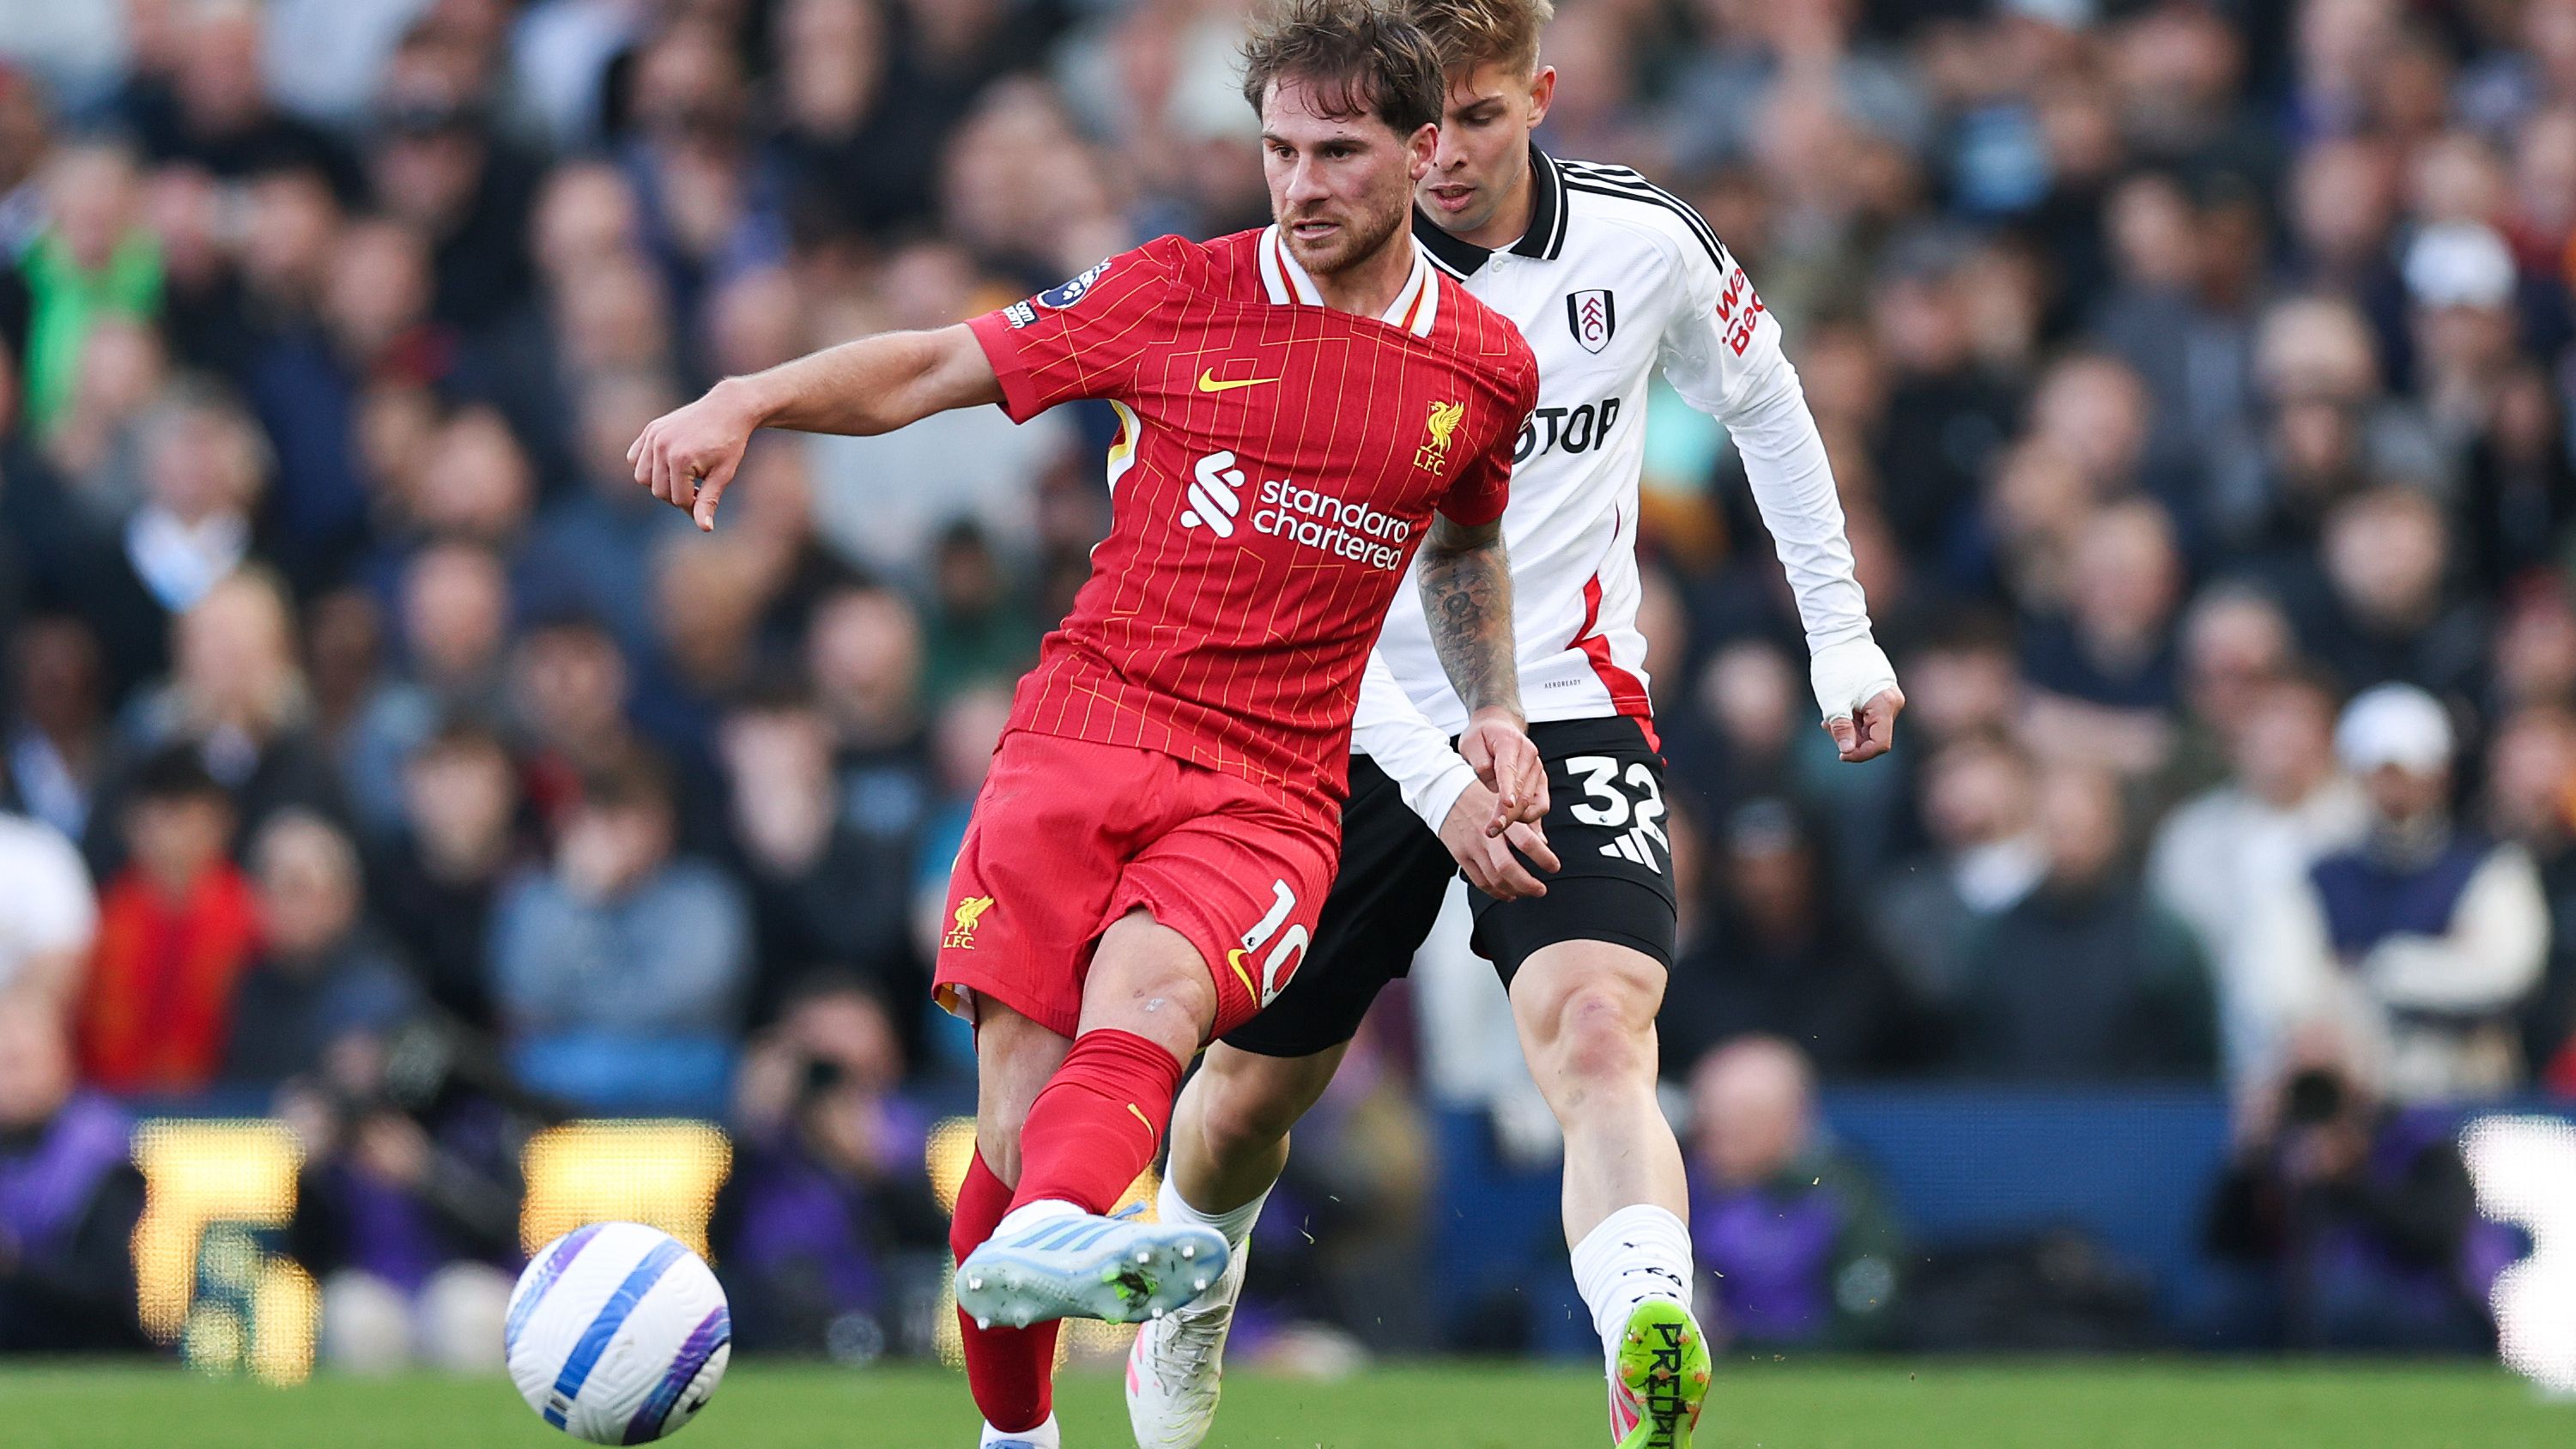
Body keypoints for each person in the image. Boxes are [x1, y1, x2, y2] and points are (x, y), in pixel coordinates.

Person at [624, 4, 1545, 1443]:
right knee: (1013, 1118)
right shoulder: (1174, 290)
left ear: (1427, 151)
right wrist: (756, 395)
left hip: (1271, 786)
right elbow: (933, 366)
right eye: (1281, 147)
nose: (1302, 182)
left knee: (1158, 1010)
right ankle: (1020, 1424)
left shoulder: (1483, 367)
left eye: (1340, 152)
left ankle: (1064, 1229)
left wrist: (1495, 704)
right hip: (1085, 725)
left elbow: (1468, 542)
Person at [1133, 3, 1903, 1446]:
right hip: (1338, 719)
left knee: (1602, 1027)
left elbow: (1766, 399)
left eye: (1477, 119)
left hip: (1561, 701)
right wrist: (1435, 783)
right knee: (1253, 1091)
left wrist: (1840, 632)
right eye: (1415, 127)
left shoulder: (1642, 242)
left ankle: (1648, 1334)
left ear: (1538, 95)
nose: (1441, 159)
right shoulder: (1298, 288)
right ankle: (1189, 1300)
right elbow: (1271, 571)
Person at [2243, 683, 2549, 1100]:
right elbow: (2283, 996)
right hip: (2357, 1101)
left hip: (2466, 1093)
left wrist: (2386, 971)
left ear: (2441, 774)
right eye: (2379, 774)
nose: (2394, 792)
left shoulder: (2490, 868)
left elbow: (2506, 974)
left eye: (2408, 773)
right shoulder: (2317, 875)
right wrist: (2449, 955)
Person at [1683, 1036, 1904, 1351]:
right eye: (1712, 1117)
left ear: (1792, 1119)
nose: (1723, 1133)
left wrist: (1741, 1346)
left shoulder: (1839, 1191)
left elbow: (1867, 1312)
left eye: (1745, 1119)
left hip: (1822, 1369)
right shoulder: (1679, 1187)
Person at [0, 991, 148, 1353]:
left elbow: (106, 1287)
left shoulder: (101, 1154)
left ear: (61, 1062)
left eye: (18, 1062)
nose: (8, 1079)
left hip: (86, 1342)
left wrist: (15, 1266)